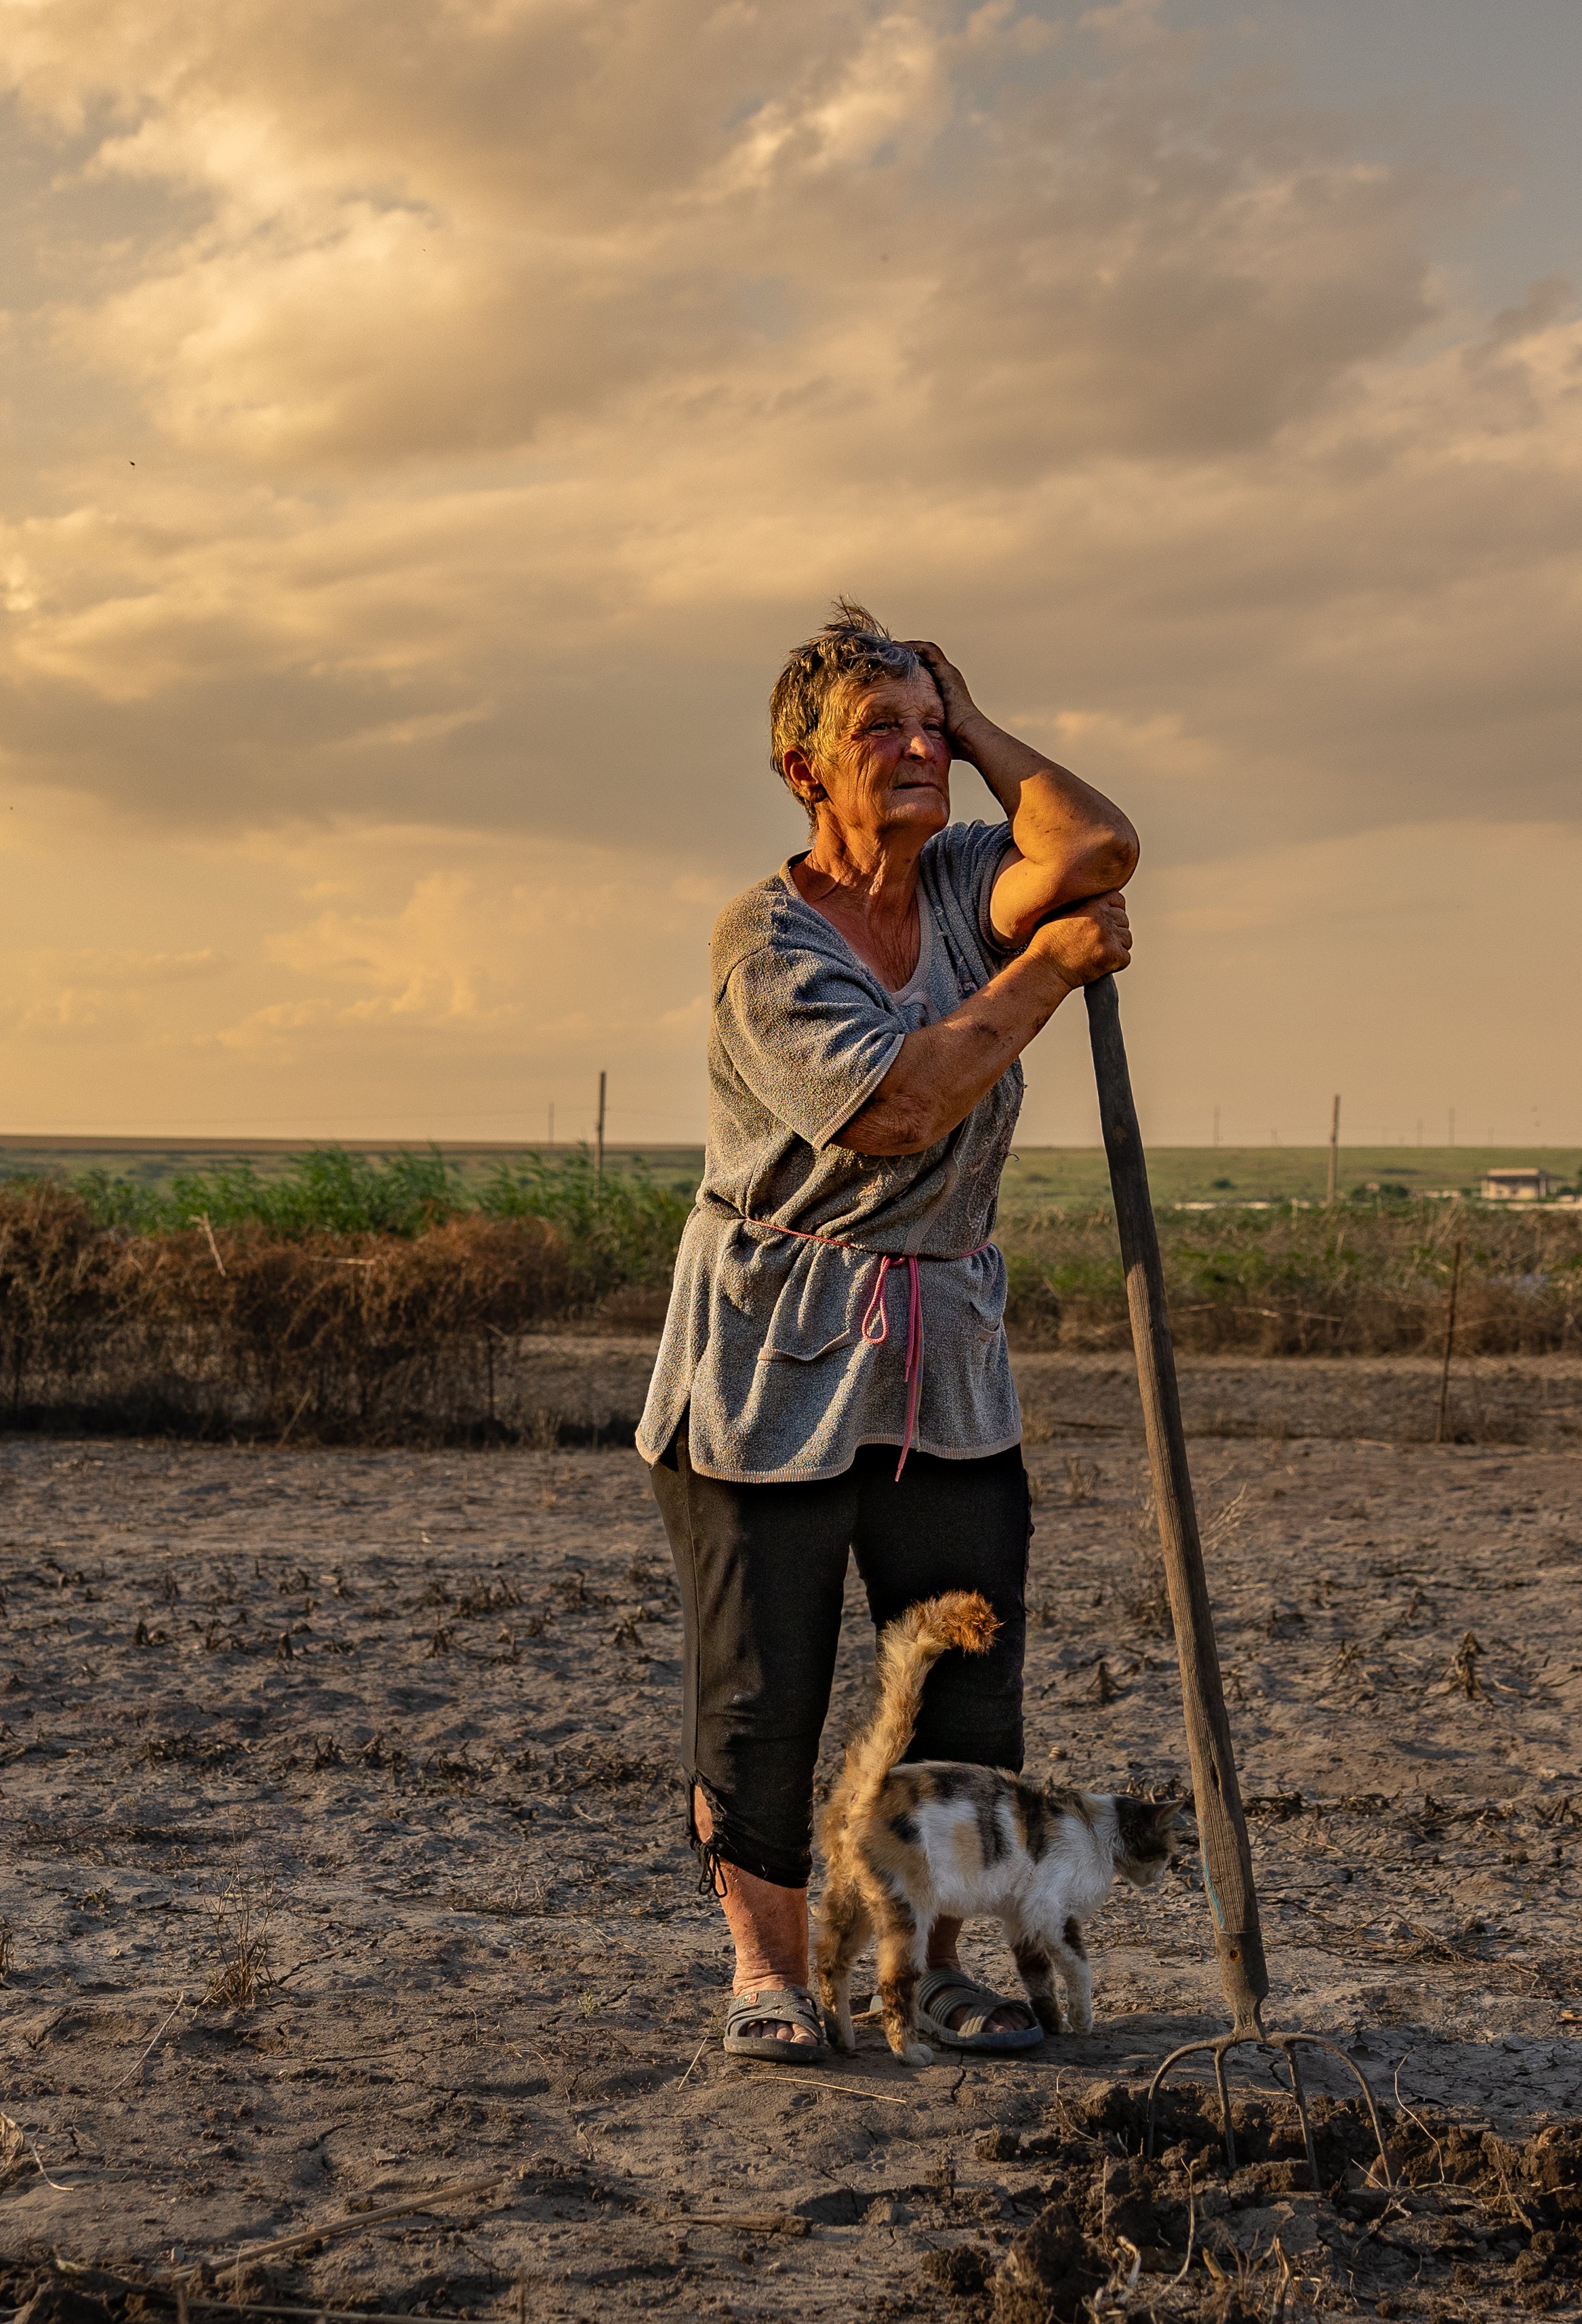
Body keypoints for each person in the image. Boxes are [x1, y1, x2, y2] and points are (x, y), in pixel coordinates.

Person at [640, 600, 1137, 2064]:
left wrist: (977, 726)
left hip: (947, 1357)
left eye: (930, 724)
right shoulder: (766, 936)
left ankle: (926, 1968)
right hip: (769, 1361)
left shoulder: (969, 874)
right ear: (802, 769)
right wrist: (1050, 968)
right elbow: (895, 1109)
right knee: (765, 1696)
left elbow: (1097, 850)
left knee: (967, 1680)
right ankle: (772, 1975)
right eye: (884, 730)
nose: (917, 748)